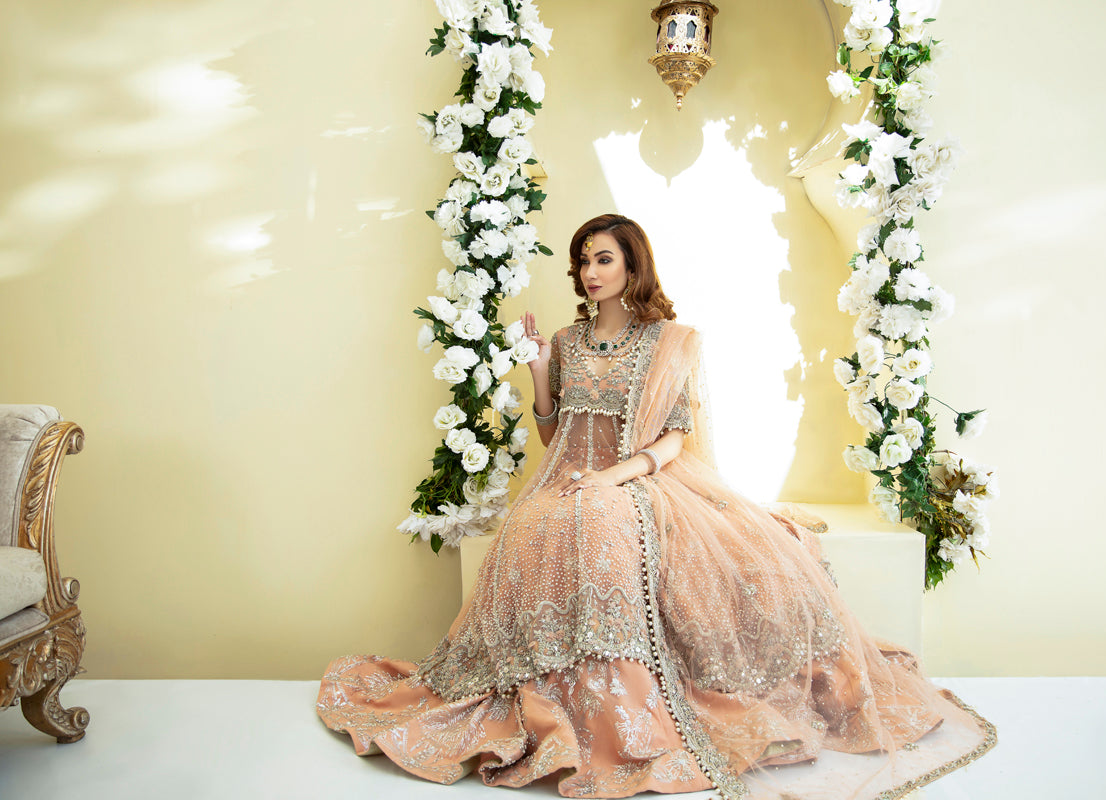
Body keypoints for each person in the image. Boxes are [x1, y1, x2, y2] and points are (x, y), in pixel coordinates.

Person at [317, 214, 995, 799]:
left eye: (602, 260)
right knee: (539, 526)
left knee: (604, 524)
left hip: (641, 480)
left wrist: (618, 477)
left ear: (632, 266)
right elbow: (554, 435)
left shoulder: (670, 340)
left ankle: (635, 713)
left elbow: (675, 435)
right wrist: (539, 369)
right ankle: (561, 706)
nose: (589, 273)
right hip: (566, 476)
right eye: (582, 262)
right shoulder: (567, 340)